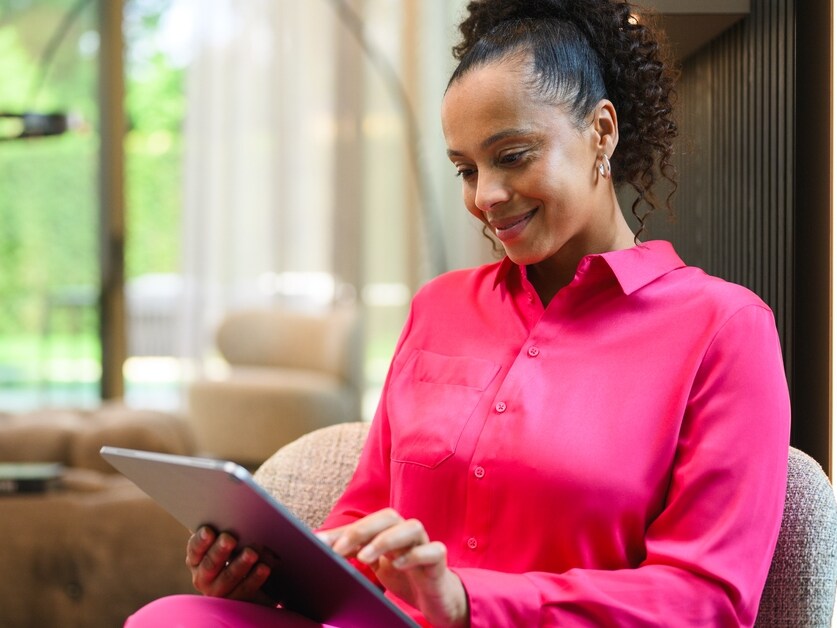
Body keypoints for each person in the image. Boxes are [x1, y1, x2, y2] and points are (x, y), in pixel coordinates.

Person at [127, 0, 790, 626]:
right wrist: (268, 575)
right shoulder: (439, 307)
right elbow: (360, 521)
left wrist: (465, 600)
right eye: (464, 170)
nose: (486, 196)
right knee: (172, 618)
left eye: (510, 156)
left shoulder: (723, 328)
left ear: (601, 132)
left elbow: (708, 600)